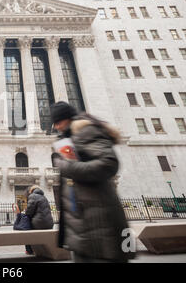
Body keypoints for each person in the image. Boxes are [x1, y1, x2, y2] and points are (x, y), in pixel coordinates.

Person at [50, 101, 134, 263]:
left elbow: (109, 163)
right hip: (84, 226)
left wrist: (66, 167)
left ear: (67, 119)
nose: (56, 126)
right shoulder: (69, 139)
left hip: (99, 225)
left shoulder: (86, 131)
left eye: (58, 122)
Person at [23, 185, 54, 255]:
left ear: (31, 190)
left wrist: (25, 212)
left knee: (26, 227)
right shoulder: (44, 197)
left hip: (39, 223)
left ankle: (29, 250)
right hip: (49, 224)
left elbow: (29, 212)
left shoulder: (32, 196)